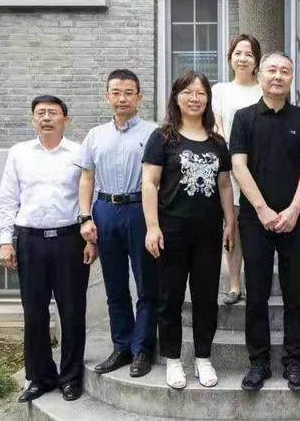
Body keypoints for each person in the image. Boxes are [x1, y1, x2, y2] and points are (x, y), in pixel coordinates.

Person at [230, 52, 300, 392]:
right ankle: (259, 362)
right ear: (259, 74)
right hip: (256, 220)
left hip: (296, 219)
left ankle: (294, 362)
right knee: (257, 294)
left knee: (296, 294)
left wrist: (295, 210)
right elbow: (239, 166)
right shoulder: (244, 118)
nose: (278, 76)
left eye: (284, 70)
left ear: (291, 76)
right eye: (271, 70)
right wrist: (263, 209)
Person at [141, 71, 236, 389]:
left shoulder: (217, 141)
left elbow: (224, 185)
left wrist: (230, 222)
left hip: (208, 233)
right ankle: (172, 360)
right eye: (188, 92)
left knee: (206, 297)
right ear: (176, 97)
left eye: (201, 93)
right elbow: (150, 183)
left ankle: (203, 359)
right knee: (169, 297)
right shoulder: (163, 137)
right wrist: (152, 227)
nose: (195, 98)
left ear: (208, 100)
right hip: (171, 231)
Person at [0, 95, 96, 403]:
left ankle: (70, 378)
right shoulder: (18, 154)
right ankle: (39, 377)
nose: (46, 118)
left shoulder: (80, 152)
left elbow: (90, 196)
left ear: (65, 119)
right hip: (30, 241)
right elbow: (8, 199)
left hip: (70, 240)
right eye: (40, 113)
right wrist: (5, 240)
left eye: (53, 113)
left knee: (72, 312)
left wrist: (92, 239)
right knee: (35, 314)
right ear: (32, 119)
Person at [76, 69, 158, 379]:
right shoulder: (95, 135)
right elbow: (86, 178)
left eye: (128, 92)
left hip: (140, 210)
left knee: (147, 284)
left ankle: (142, 349)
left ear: (139, 96)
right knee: (114, 286)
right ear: (107, 96)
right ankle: (122, 345)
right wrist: (85, 217)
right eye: (115, 92)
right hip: (105, 211)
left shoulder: (155, 132)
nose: (122, 98)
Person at [211, 34, 264, 306]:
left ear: (256, 60)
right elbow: (217, 128)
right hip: (229, 167)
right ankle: (234, 284)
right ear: (230, 57)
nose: (243, 58)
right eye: (238, 53)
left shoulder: (263, 89)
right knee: (231, 224)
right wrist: (230, 160)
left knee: (256, 226)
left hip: (260, 167)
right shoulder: (220, 91)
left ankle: (257, 281)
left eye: (249, 54)